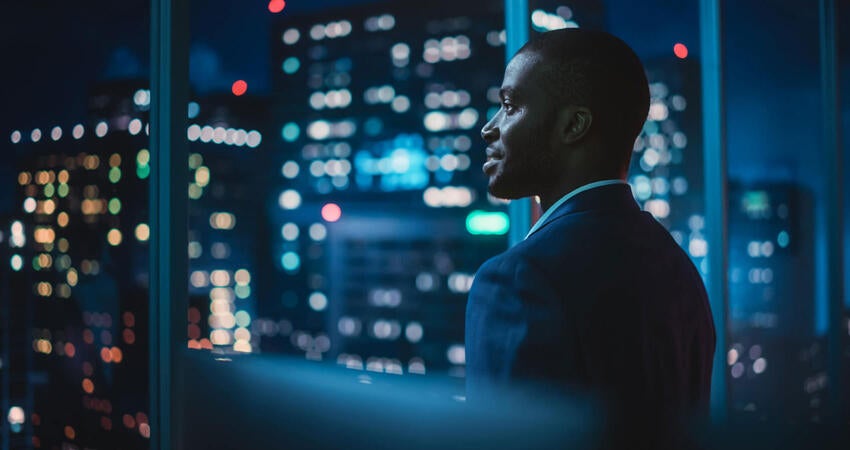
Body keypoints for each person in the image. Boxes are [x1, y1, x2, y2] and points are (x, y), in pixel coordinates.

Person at [465, 28, 715, 445]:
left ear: (575, 125)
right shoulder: (678, 268)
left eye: (509, 106)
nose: (489, 128)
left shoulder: (518, 280)